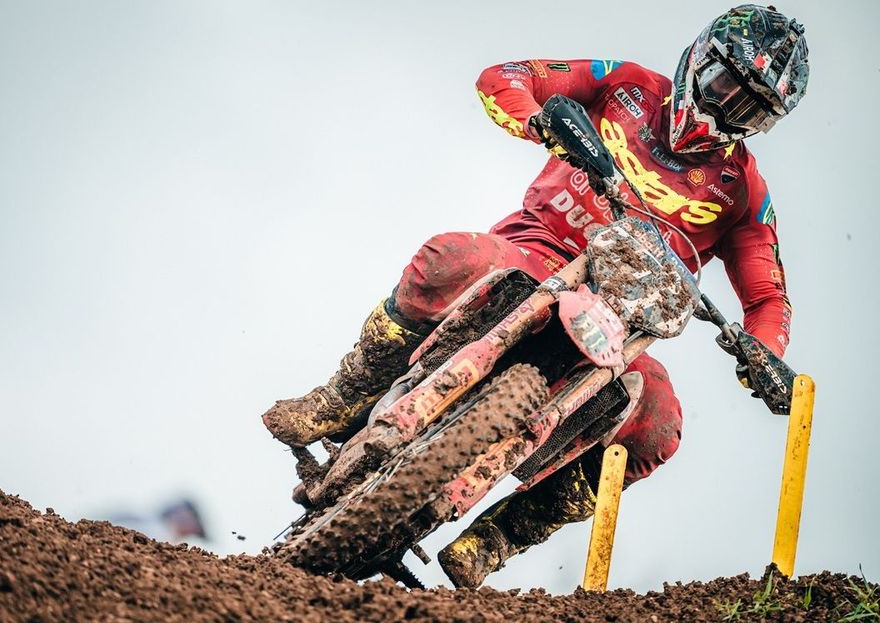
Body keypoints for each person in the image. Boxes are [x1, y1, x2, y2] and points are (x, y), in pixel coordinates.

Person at [262, 4, 809, 588]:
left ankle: (500, 536)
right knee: (452, 257)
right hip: (537, 252)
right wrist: (543, 123)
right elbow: (504, 78)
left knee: (658, 423)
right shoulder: (627, 85)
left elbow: (768, 298)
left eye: (749, 106)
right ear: (700, 59)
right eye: (725, 83)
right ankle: (343, 396)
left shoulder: (743, 191)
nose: (727, 105)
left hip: (621, 321)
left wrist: (764, 354)